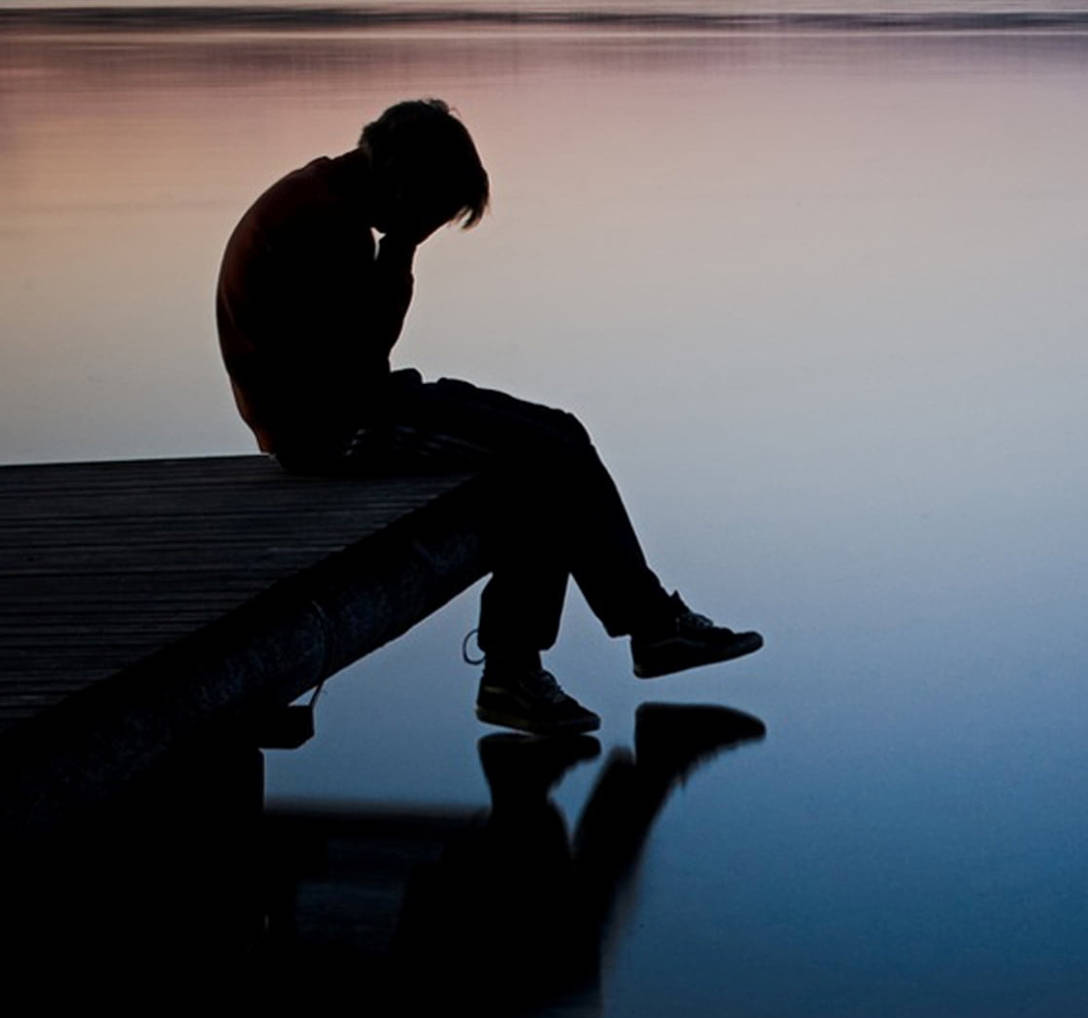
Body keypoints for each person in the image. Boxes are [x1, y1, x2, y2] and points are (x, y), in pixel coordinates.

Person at [216, 98, 761, 735]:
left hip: (347, 400)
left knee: (559, 433)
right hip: (326, 429)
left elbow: (359, 358)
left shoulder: (326, 200)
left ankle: (606, 642)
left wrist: (394, 251)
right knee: (539, 463)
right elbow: (362, 358)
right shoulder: (324, 223)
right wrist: (399, 254)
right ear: (403, 183)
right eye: (431, 212)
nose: (427, 226)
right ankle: (554, 659)